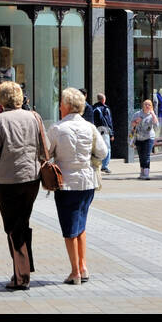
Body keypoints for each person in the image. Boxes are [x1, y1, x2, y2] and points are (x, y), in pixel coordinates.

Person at [0, 81, 43, 290]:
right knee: (22, 223)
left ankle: (21, 275)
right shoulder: (34, 117)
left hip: (8, 179)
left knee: (12, 226)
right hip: (32, 178)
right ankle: (23, 269)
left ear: (1, 98)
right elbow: (42, 148)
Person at [47, 88, 108, 284]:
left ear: (65, 106)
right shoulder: (90, 127)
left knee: (69, 229)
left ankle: (75, 272)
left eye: (61, 103)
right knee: (80, 226)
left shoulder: (57, 128)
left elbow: (46, 153)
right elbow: (103, 152)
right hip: (88, 181)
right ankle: (83, 266)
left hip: (66, 183)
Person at [130, 99, 159, 180]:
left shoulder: (152, 114)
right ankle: (142, 172)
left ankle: (146, 173)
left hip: (149, 137)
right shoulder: (137, 114)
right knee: (141, 155)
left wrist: (153, 115)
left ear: (151, 106)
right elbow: (132, 124)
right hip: (139, 137)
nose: (147, 106)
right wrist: (136, 121)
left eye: (149, 105)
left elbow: (157, 125)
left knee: (146, 155)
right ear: (143, 106)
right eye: (145, 104)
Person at [89, 94, 114, 174]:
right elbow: (108, 121)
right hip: (104, 130)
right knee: (107, 148)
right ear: (103, 99)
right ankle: (104, 166)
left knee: (96, 147)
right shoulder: (105, 109)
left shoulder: (93, 108)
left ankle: (96, 164)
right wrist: (112, 133)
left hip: (95, 130)